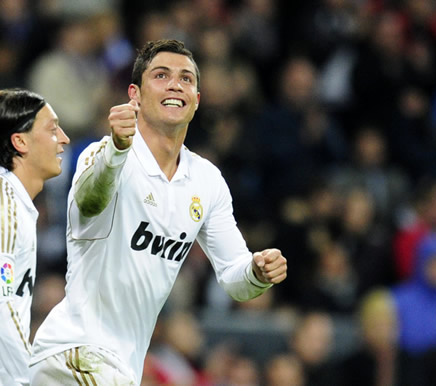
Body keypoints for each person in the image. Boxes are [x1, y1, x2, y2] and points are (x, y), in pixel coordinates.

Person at [29, 39, 288, 385]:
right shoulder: (104, 154)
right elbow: (91, 201)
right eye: (161, 75)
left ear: (196, 99)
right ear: (134, 94)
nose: (175, 84)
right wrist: (117, 150)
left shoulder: (206, 181)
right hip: (75, 352)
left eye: (186, 79)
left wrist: (257, 270)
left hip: (120, 365)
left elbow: (235, 279)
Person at [0, 88, 70, 385]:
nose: (64, 139)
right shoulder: (6, 206)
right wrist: (19, 380)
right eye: (53, 130)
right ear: (20, 141)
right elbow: (3, 305)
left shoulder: (15, 203)